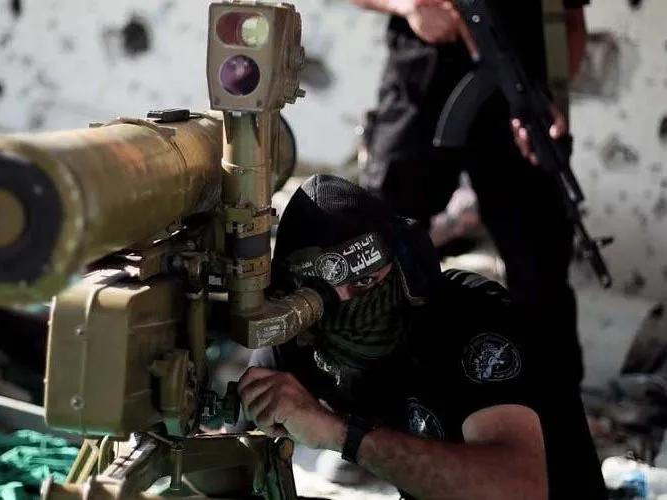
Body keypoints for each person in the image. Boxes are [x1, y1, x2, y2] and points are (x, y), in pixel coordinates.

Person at [230, 174, 607, 499]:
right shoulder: (304, 334)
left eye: (365, 282)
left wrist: (340, 435)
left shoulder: (470, 318)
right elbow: (230, 456)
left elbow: (519, 489)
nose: (349, 302)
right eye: (323, 293)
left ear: (401, 264)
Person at [350, 0, 591, 388]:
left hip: (514, 107)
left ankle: (554, 404)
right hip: (419, 93)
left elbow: (572, 22)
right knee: (378, 253)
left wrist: (544, 101)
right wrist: (408, 6)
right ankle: (368, 388)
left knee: (541, 271)